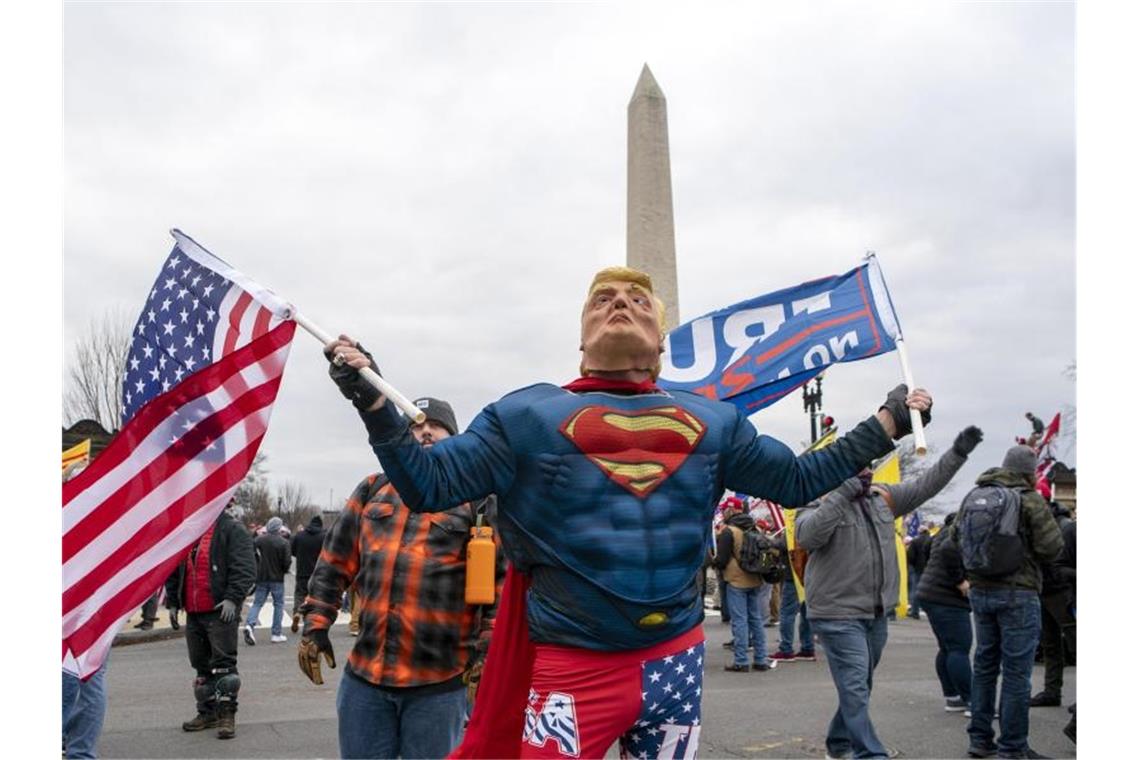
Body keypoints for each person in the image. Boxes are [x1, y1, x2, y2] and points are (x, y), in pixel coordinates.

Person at [319, 265, 933, 759]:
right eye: (603, 299)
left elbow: (798, 481)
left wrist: (887, 425)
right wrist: (372, 398)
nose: (620, 303)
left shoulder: (713, 420)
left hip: (676, 661)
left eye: (639, 301)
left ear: (660, 344)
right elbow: (430, 483)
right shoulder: (525, 414)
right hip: (570, 667)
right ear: (581, 338)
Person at [297, 397, 505, 759]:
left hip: (439, 685)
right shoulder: (373, 488)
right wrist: (316, 623)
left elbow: (500, 585)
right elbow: (334, 562)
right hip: (365, 682)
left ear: (455, 436)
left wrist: (486, 651)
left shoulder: (478, 503)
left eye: (434, 425)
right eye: (414, 424)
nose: (424, 430)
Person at [795, 425, 983, 760]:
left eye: (868, 464)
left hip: (876, 612)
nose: (867, 470)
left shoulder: (882, 498)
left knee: (860, 685)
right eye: (858, 465)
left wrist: (958, 453)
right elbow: (807, 537)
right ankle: (870, 753)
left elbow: (926, 485)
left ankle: (838, 744)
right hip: (836, 614)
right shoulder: (816, 498)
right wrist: (841, 493)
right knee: (855, 685)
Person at [951, 445, 1063, 760]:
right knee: (1016, 671)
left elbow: (953, 538)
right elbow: (1052, 547)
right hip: (1019, 593)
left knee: (985, 666)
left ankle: (980, 740)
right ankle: (1013, 747)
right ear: (1030, 471)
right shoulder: (1029, 499)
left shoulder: (975, 495)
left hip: (981, 593)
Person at [164, 503, 256, 740]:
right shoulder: (190, 530)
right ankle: (207, 712)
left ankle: (226, 715)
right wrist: (173, 601)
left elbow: (245, 568)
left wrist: (233, 599)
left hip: (219, 611)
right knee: (201, 666)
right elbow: (174, 568)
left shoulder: (232, 529)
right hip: (194, 611)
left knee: (224, 666)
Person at [916, 512, 973, 714]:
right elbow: (949, 550)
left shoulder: (941, 532)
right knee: (958, 649)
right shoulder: (958, 532)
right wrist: (960, 580)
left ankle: (953, 697)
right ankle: (972, 701)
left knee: (947, 648)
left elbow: (926, 548)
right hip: (947, 598)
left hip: (931, 593)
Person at [714, 499, 776, 672]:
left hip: (736, 580)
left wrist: (714, 561)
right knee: (756, 619)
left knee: (739, 621)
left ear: (729, 511)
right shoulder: (753, 526)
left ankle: (741, 660)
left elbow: (722, 559)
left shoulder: (729, 531)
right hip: (755, 578)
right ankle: (761, 659)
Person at [1029, 501, 1076, 709]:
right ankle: (1052, 691)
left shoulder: (1065, 529)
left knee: (1067, 644)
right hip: (1050, 591)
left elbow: (1063, 565)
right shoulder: (1060, 527)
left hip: (1060, 592)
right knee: (1052, 644)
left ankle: (1053, 691)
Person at [244, 515, 291, 645]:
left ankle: (250, 625)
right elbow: (287, 561)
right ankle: (276, 633)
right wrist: (284, 569)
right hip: (277, 577)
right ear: (278, 528)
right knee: (278, 605)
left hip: (262, 576)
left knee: (257, 603)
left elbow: (251, 553)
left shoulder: (259, 540)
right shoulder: (284, 543)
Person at [770, 537, 816, 664]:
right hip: (808, 574)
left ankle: (786, 649)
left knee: (787, 613)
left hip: (795, 575)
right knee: (806, 613)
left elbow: (786, 544)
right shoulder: (810, 523)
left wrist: (769, 540)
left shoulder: (793, 527)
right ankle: (807, 648)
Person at [290, 514, 326, 633]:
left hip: (302, 570)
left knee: (300, 595)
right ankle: (309, 621)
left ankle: (297, 613)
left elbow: (292, 551)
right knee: (315, 597)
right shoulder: (323, 537)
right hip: (317, 572)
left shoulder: (299, 535)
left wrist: (301, 556)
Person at [906, 525, 932, 619]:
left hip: (917, 568)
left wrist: (914, 564)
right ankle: (929, 611)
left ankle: (915, 611)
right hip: (929, 569)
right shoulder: (932, 540)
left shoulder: (915, 541)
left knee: (915, 590)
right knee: (928, 591)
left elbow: (910, 556)